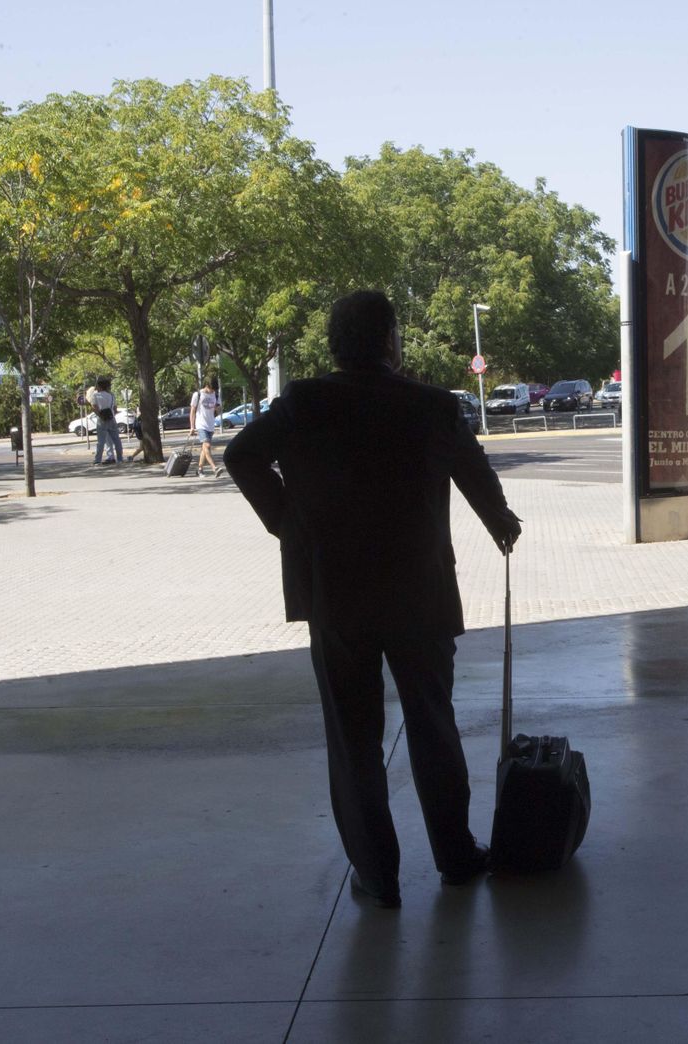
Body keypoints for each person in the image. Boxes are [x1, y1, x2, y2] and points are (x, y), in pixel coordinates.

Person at [225, 290, 522, 909]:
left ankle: (377, 875)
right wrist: (500, 523)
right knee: (432, 725)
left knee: (353, 738)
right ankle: (455, 856)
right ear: (389, 340)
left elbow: (240, 454)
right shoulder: (431, 405)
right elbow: (474, 472)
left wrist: (289, 523)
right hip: (419, 592)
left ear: (335, 344)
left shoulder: (304, 402)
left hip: (336, 594)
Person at [190, 379, 222, 477]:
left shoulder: (216, 395)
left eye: (214, 389)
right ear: (207, 385)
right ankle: (214, 468)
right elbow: (192, 411)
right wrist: (192, 427)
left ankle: (200, 470)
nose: (213, 391)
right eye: (212, 389)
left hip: (210, 425)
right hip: (201, 424)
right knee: (207, 446)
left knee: (204, 448)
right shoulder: (198, 395)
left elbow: (218, 410)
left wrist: (218, 408)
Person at [91, 377, 122, 465]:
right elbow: (115, 408)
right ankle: (120, 459)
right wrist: (111, 415)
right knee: (116, 440)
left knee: (101, 441)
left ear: (99, 386)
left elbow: (94, 408)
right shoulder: (111, 395)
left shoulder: (95, 395)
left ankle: (98, 460)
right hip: (111, 418)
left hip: (101, 420)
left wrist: (100, 415)